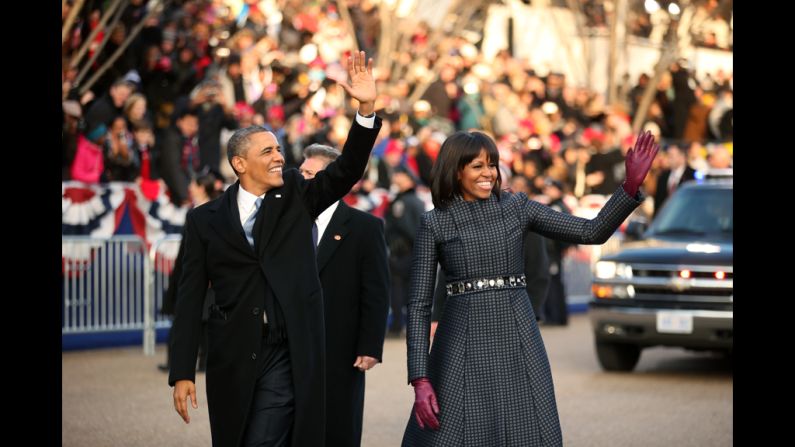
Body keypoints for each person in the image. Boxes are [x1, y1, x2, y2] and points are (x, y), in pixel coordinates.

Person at [169, 51, 380, 447]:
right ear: (238, 163)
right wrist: (181, 372)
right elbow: (189, 296)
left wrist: (365, 111)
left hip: (289, 348)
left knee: (265, 439)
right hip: (232, 354)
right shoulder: (204, 220)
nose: (279, 157)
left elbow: (348, 168)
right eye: (267, 152)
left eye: (279, 149)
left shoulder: (298, 195)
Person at [402, 130, 658, 446]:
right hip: (459, 342)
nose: (489, 174)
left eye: (492, 165)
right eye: (477, 166)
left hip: (517, 335)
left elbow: (591, 231)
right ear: (456, 170)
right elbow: (418, 304)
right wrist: (420, 378)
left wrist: (629, 188)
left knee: (528, 432)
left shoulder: (518, 207)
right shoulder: (435, 222)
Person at [298, 144, 390, 447]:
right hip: (291, 344)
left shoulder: (365, 227)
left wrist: (370, 345)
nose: (302, 180)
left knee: (338, 424)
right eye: (301, 173)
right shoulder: (286, 223)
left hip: (341, 347)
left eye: (310, 174)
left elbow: (376, 291)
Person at [159, 170, 224, 373]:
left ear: (202, 188)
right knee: (184, 318)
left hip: (206, 276)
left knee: (204, 322)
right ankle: (177, 361)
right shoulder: (194, 211)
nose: (190, 188)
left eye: (194, 185)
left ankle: (204, 361)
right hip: (189, 271)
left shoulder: (216, 211)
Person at [385, 166, 426, 337]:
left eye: (400, 174)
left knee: (397, 287)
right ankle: (412, 326)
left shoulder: (403, 202)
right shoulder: (415, 200)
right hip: (414, 252)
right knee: (412, 291)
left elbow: (406, 228)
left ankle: (396, 324)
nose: (396, 177)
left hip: (403, 253)